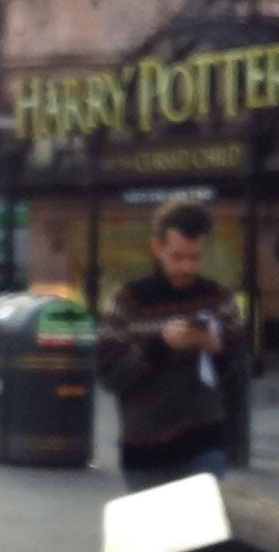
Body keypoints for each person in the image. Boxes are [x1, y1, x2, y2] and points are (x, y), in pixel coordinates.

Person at [96, 200, 245, 492]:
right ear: (157, 248)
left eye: (195, 257)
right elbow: (108, 374)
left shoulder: (218, 299)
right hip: (145, 448)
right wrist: (160, 345)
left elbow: (238, 374)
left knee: (204, 536)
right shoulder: (129, 301)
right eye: (177, 257)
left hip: (203, 441)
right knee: (149, 537)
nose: (186, 267)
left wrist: (217, 349)